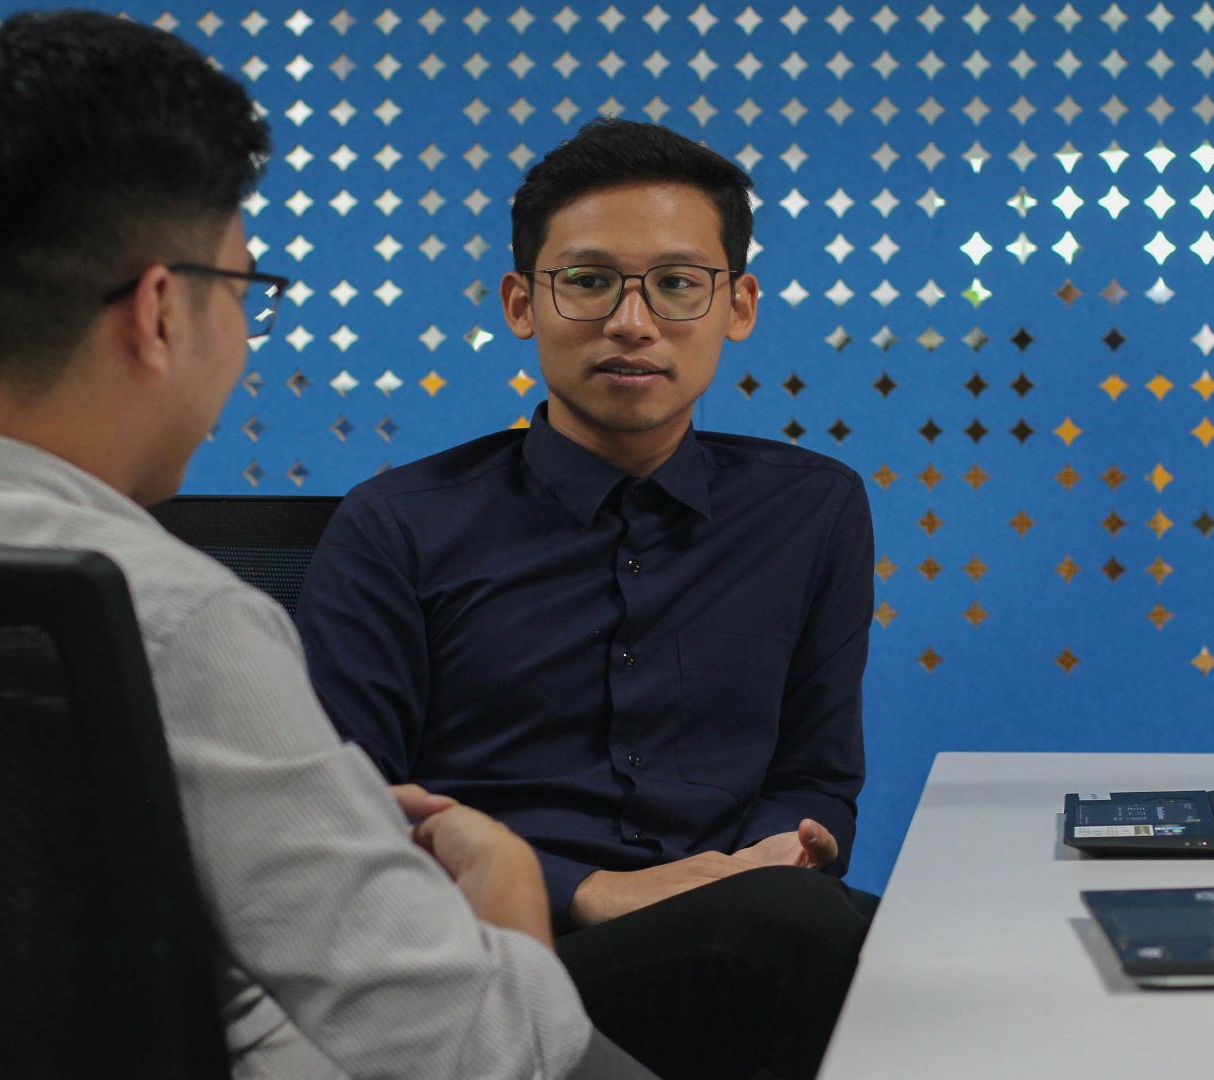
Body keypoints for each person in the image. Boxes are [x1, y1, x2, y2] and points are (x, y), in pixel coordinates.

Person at [0, 12, 654, 1079]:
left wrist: (301, 826)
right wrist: (505, 893)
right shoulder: (170, 620)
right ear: (159, 312)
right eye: (243, 291)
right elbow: (480, 1053)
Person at [299, 119, 876, 1080]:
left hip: (754, 923)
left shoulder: (813, 509)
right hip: (494, 961)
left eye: (678, 283)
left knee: (940, 952)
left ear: (738, 306)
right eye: (589, 279)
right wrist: (589, 889)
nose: (632, 323)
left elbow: (816, 775)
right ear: (522, 302)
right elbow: (347, 818)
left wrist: (767, 860)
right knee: (812, 941)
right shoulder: (398, 524)